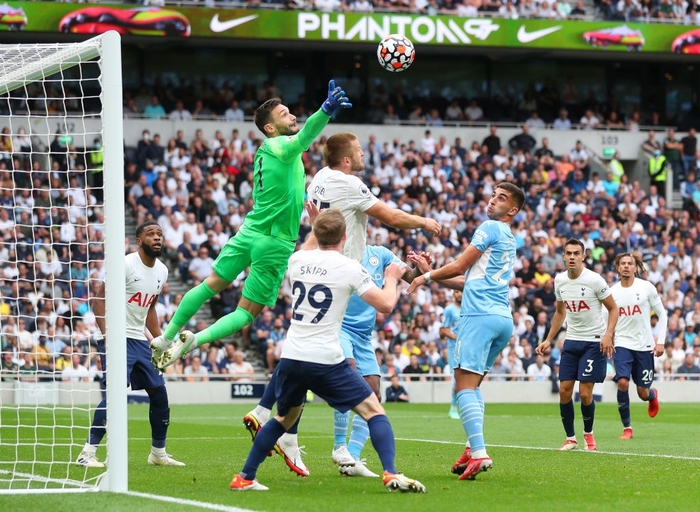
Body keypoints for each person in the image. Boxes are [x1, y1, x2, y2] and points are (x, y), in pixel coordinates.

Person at [151, 80, 352, 366]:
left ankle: (167, 336)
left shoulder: (266, 150)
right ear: (269, 127)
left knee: (211, 284)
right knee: (247, 313)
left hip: (249, 231)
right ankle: (195, 340)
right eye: (284, 114)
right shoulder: (279, 145)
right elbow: (305, 137)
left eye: (289, 111)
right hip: (274, 241)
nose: (292, 116)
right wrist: (326, 109)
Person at [229, 209, 425, 493]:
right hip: (325, 359)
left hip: (292, 356)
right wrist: (392, 276)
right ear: (345, 237)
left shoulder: (297, 260)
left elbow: (312, 243)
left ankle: (245, 477)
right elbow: (385, 304)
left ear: (316, 233)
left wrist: (316, 222)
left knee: (283, 418)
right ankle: (391, 473)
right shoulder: (350, 267)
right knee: (374, 411)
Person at [407, 182, 525, 481]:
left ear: (512, 210)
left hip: (479, 316)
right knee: (472, 386)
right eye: (493, 195)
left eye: (501, 198)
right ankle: (472, 448)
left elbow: (460, 265)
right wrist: (430, 275)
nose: (492, 201)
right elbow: (466, 281)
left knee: (462, 388)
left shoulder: (491, 227)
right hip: (502, 319)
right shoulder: (510, 238)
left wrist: (425, 277)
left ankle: (480, 452)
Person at [76, 221, 184, 468]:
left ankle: (158, 454)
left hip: (139, 340)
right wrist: (108, 339)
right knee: (114, 396)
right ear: (139, 240)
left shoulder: (163, 271)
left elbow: (150, 309)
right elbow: (99, 302)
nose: (157, 237)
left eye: (159, 233)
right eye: (150, 234)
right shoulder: (125, 264)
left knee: (159, 394)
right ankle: (87, 453)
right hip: (117, 338)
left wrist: (163, 341)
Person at [535, 238, 618, 452]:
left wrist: (608, 334)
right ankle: (570, 438)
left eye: (576, 253)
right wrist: (548, 339)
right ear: (563, 256)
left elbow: (613, 308)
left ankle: (588, 434)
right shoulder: (560, 280)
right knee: (564, 391)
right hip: (571, 340)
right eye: (568, 253)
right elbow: (560, 312)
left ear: (583, 256)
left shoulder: (595, 280)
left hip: (593, 342)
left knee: (585, 393)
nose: (572, 257)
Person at [609, 253, 666, 439]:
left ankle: (652, 396)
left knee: (642, 392)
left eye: (630, 263)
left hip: (644, 346)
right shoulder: (612, 292)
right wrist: (607, 338)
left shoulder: (647, 288)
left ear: (635, 267)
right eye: (622, 263)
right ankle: (627, 428)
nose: (626, 266)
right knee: (623, 382)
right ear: (617, 268)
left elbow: (662, 315)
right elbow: (605, 319)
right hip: (622, 343)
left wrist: (661, 341)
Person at [440, 289, 462, 419]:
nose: (460, 294)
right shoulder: (449, 310)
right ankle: (453, 407)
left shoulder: (470, 307)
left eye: (461, 291)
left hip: (468, 347)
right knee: (457, 378)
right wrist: (456, 337)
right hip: (454, 347)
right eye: (457, 291)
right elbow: (443, 330)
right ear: (453, 294)